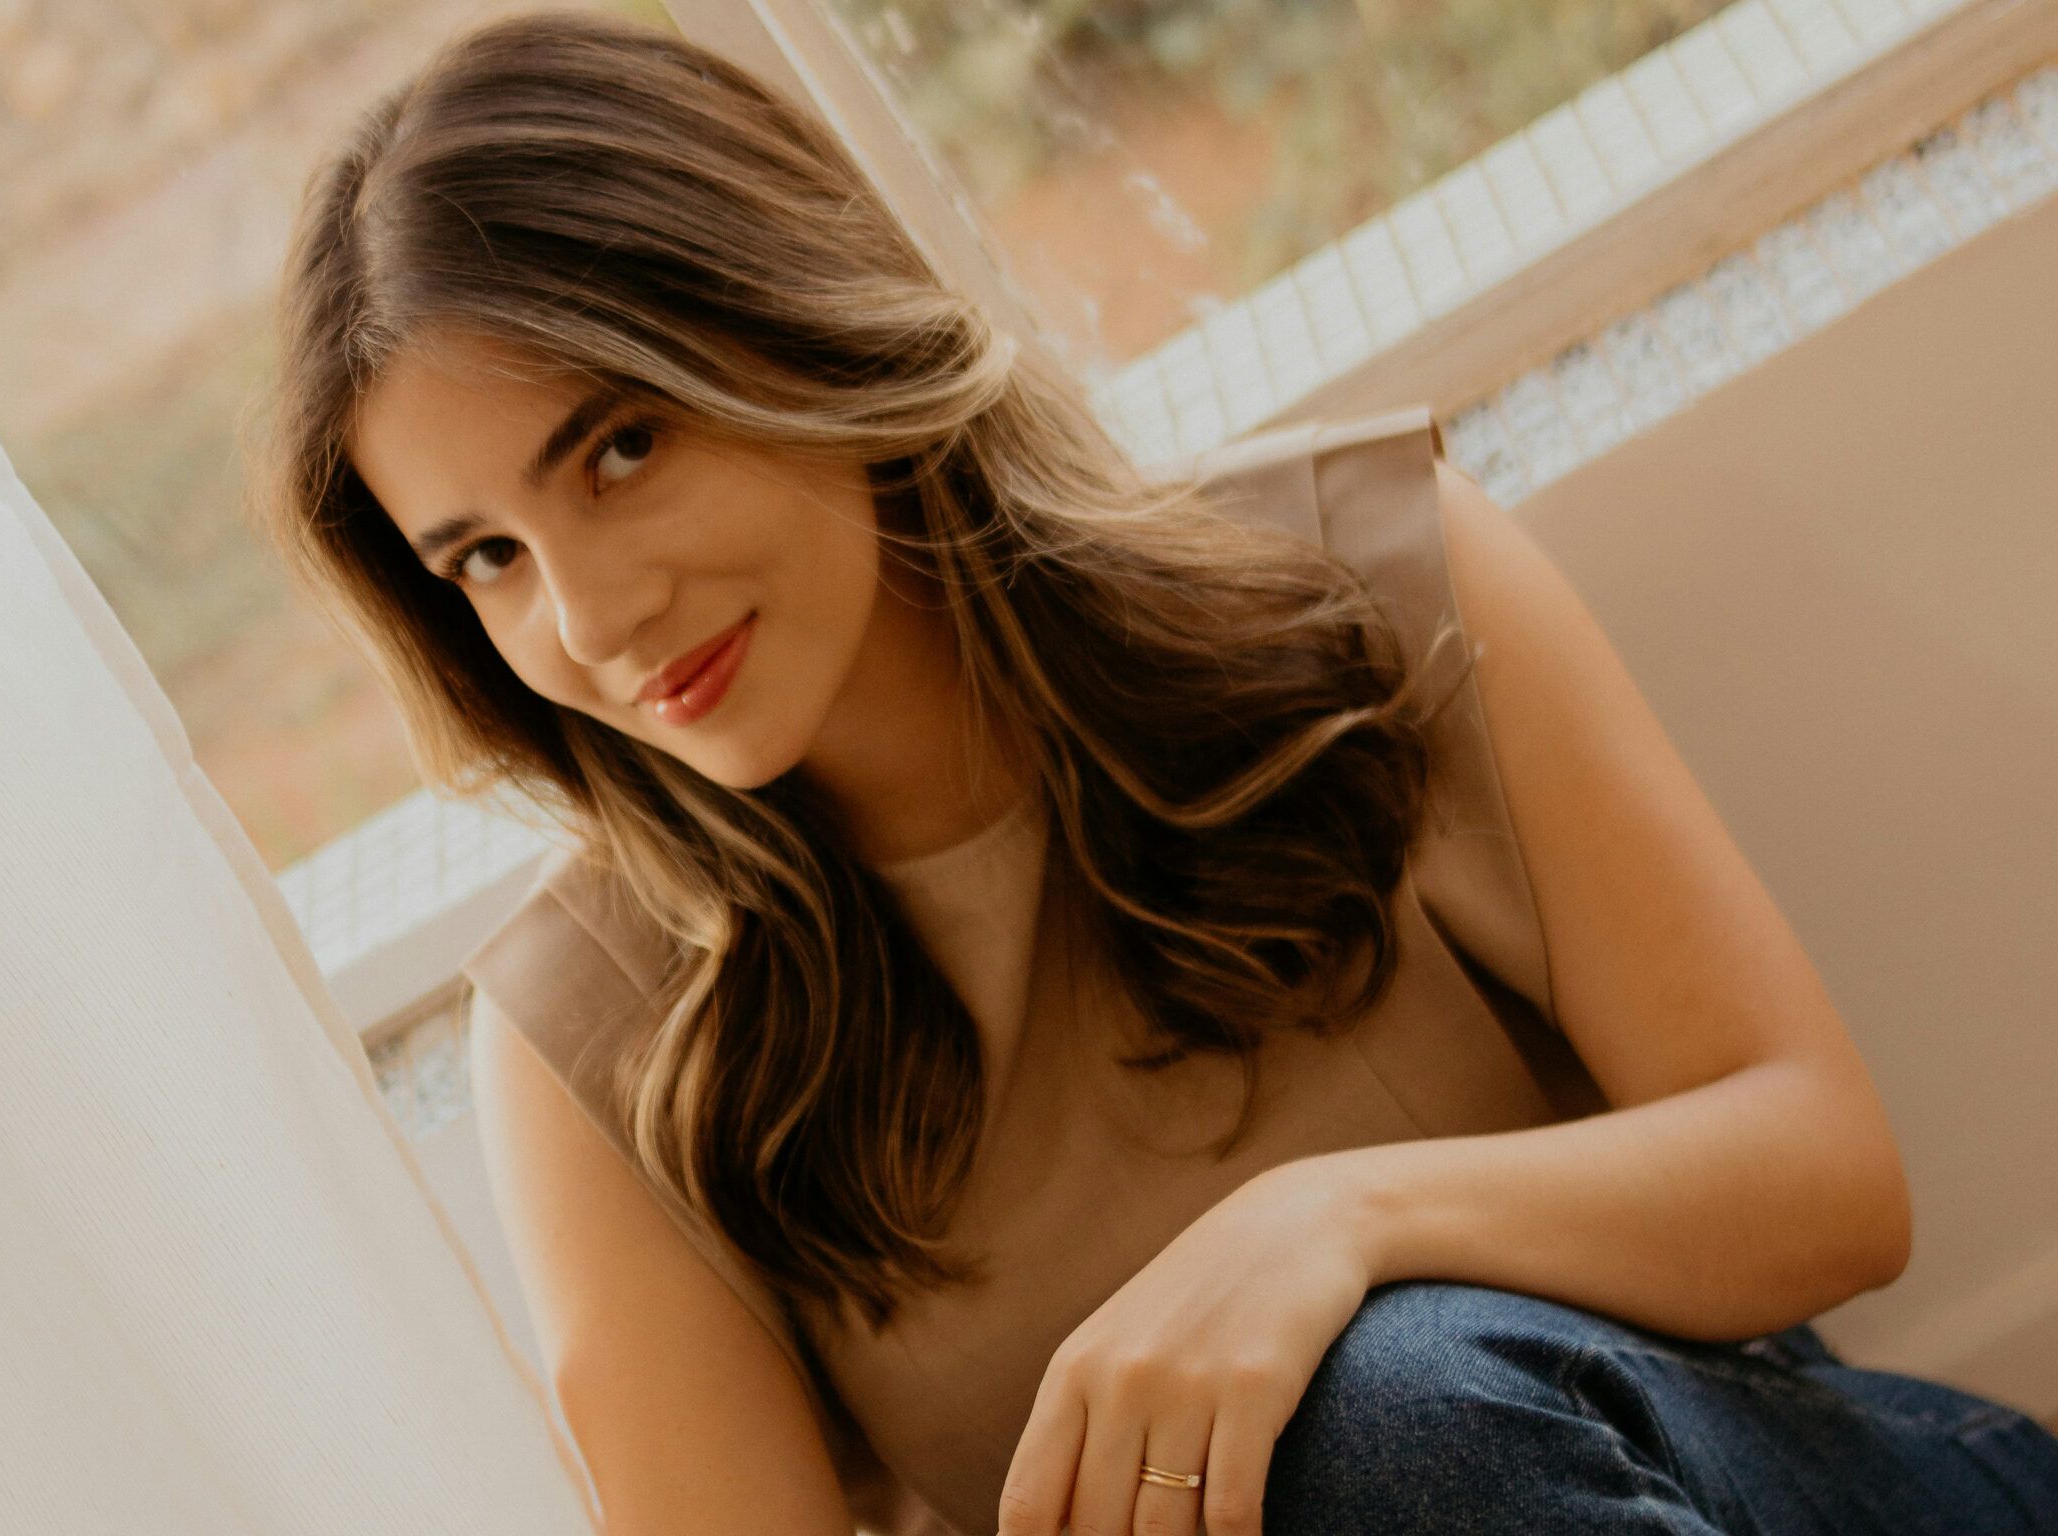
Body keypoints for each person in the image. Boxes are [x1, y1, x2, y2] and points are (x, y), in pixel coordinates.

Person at [247, 10, 2058, 1534]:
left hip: (1770, 1480)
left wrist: (1332, 1228)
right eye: (481, 556)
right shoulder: (604, 1047)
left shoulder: (1358, 584)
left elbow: (1827, 1181)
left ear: (796, 323)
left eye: (621, 446)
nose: (590, 611)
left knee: (1386, 1419)